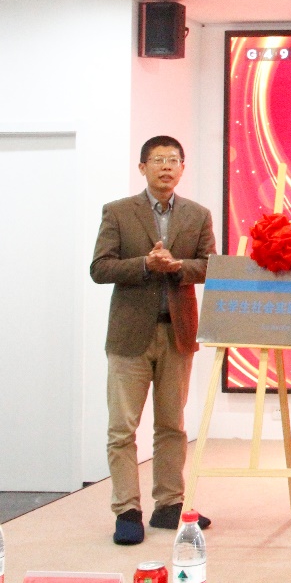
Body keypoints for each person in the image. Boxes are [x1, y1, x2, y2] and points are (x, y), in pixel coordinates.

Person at [90, 136, 215, 545]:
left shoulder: (197, 214)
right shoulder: (118, 211)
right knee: (122, 428)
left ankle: (169, 504)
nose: (166, 167)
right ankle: (127, 509)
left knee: (172, 425)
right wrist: (145, 263)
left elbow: (210, 266)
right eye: (158, 160)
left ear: (182, 168)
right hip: (129, 335)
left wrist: (178, 267)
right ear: (142, 167)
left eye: (173, 160)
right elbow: (100, 267)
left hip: (177, 332)